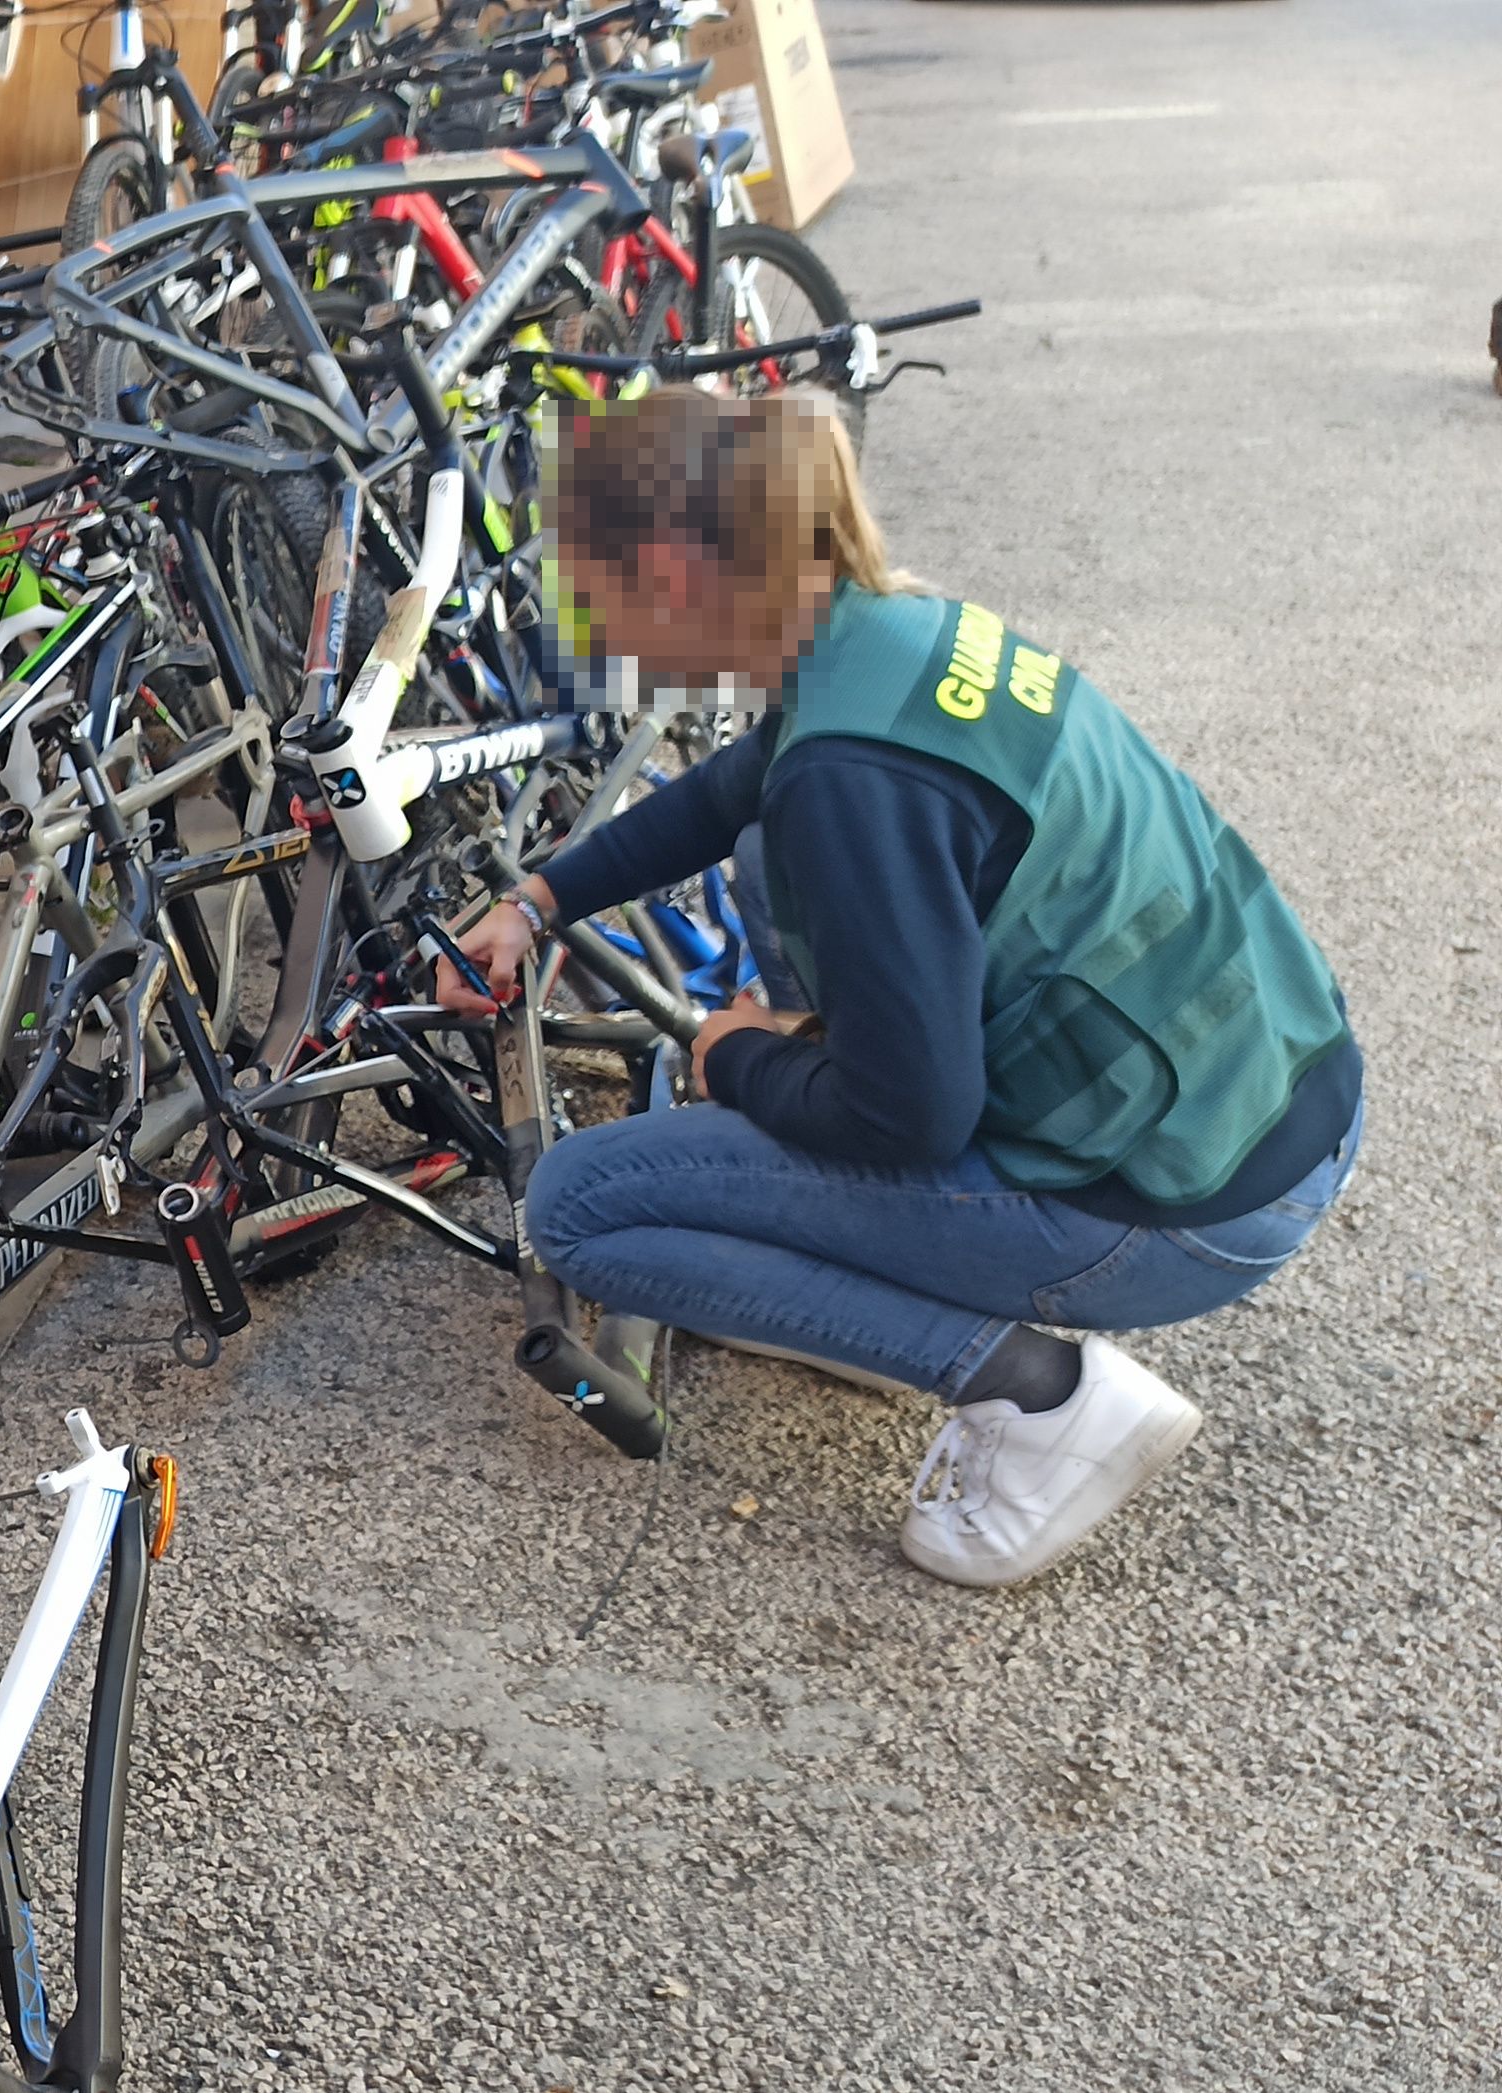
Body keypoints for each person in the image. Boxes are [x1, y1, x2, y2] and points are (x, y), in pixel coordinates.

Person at [444, 390, 1361, 1589]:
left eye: (596, 592)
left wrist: (738, 1057)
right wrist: (539, 901)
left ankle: (1041, 1399)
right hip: (1276, 1095)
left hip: (1183, 1214)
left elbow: (915, 1118)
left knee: (582, 1208)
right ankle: (881, 1263)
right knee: (770, 851)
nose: (588, 625)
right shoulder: (892, 631)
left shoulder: (849, 782)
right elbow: (736, 788)